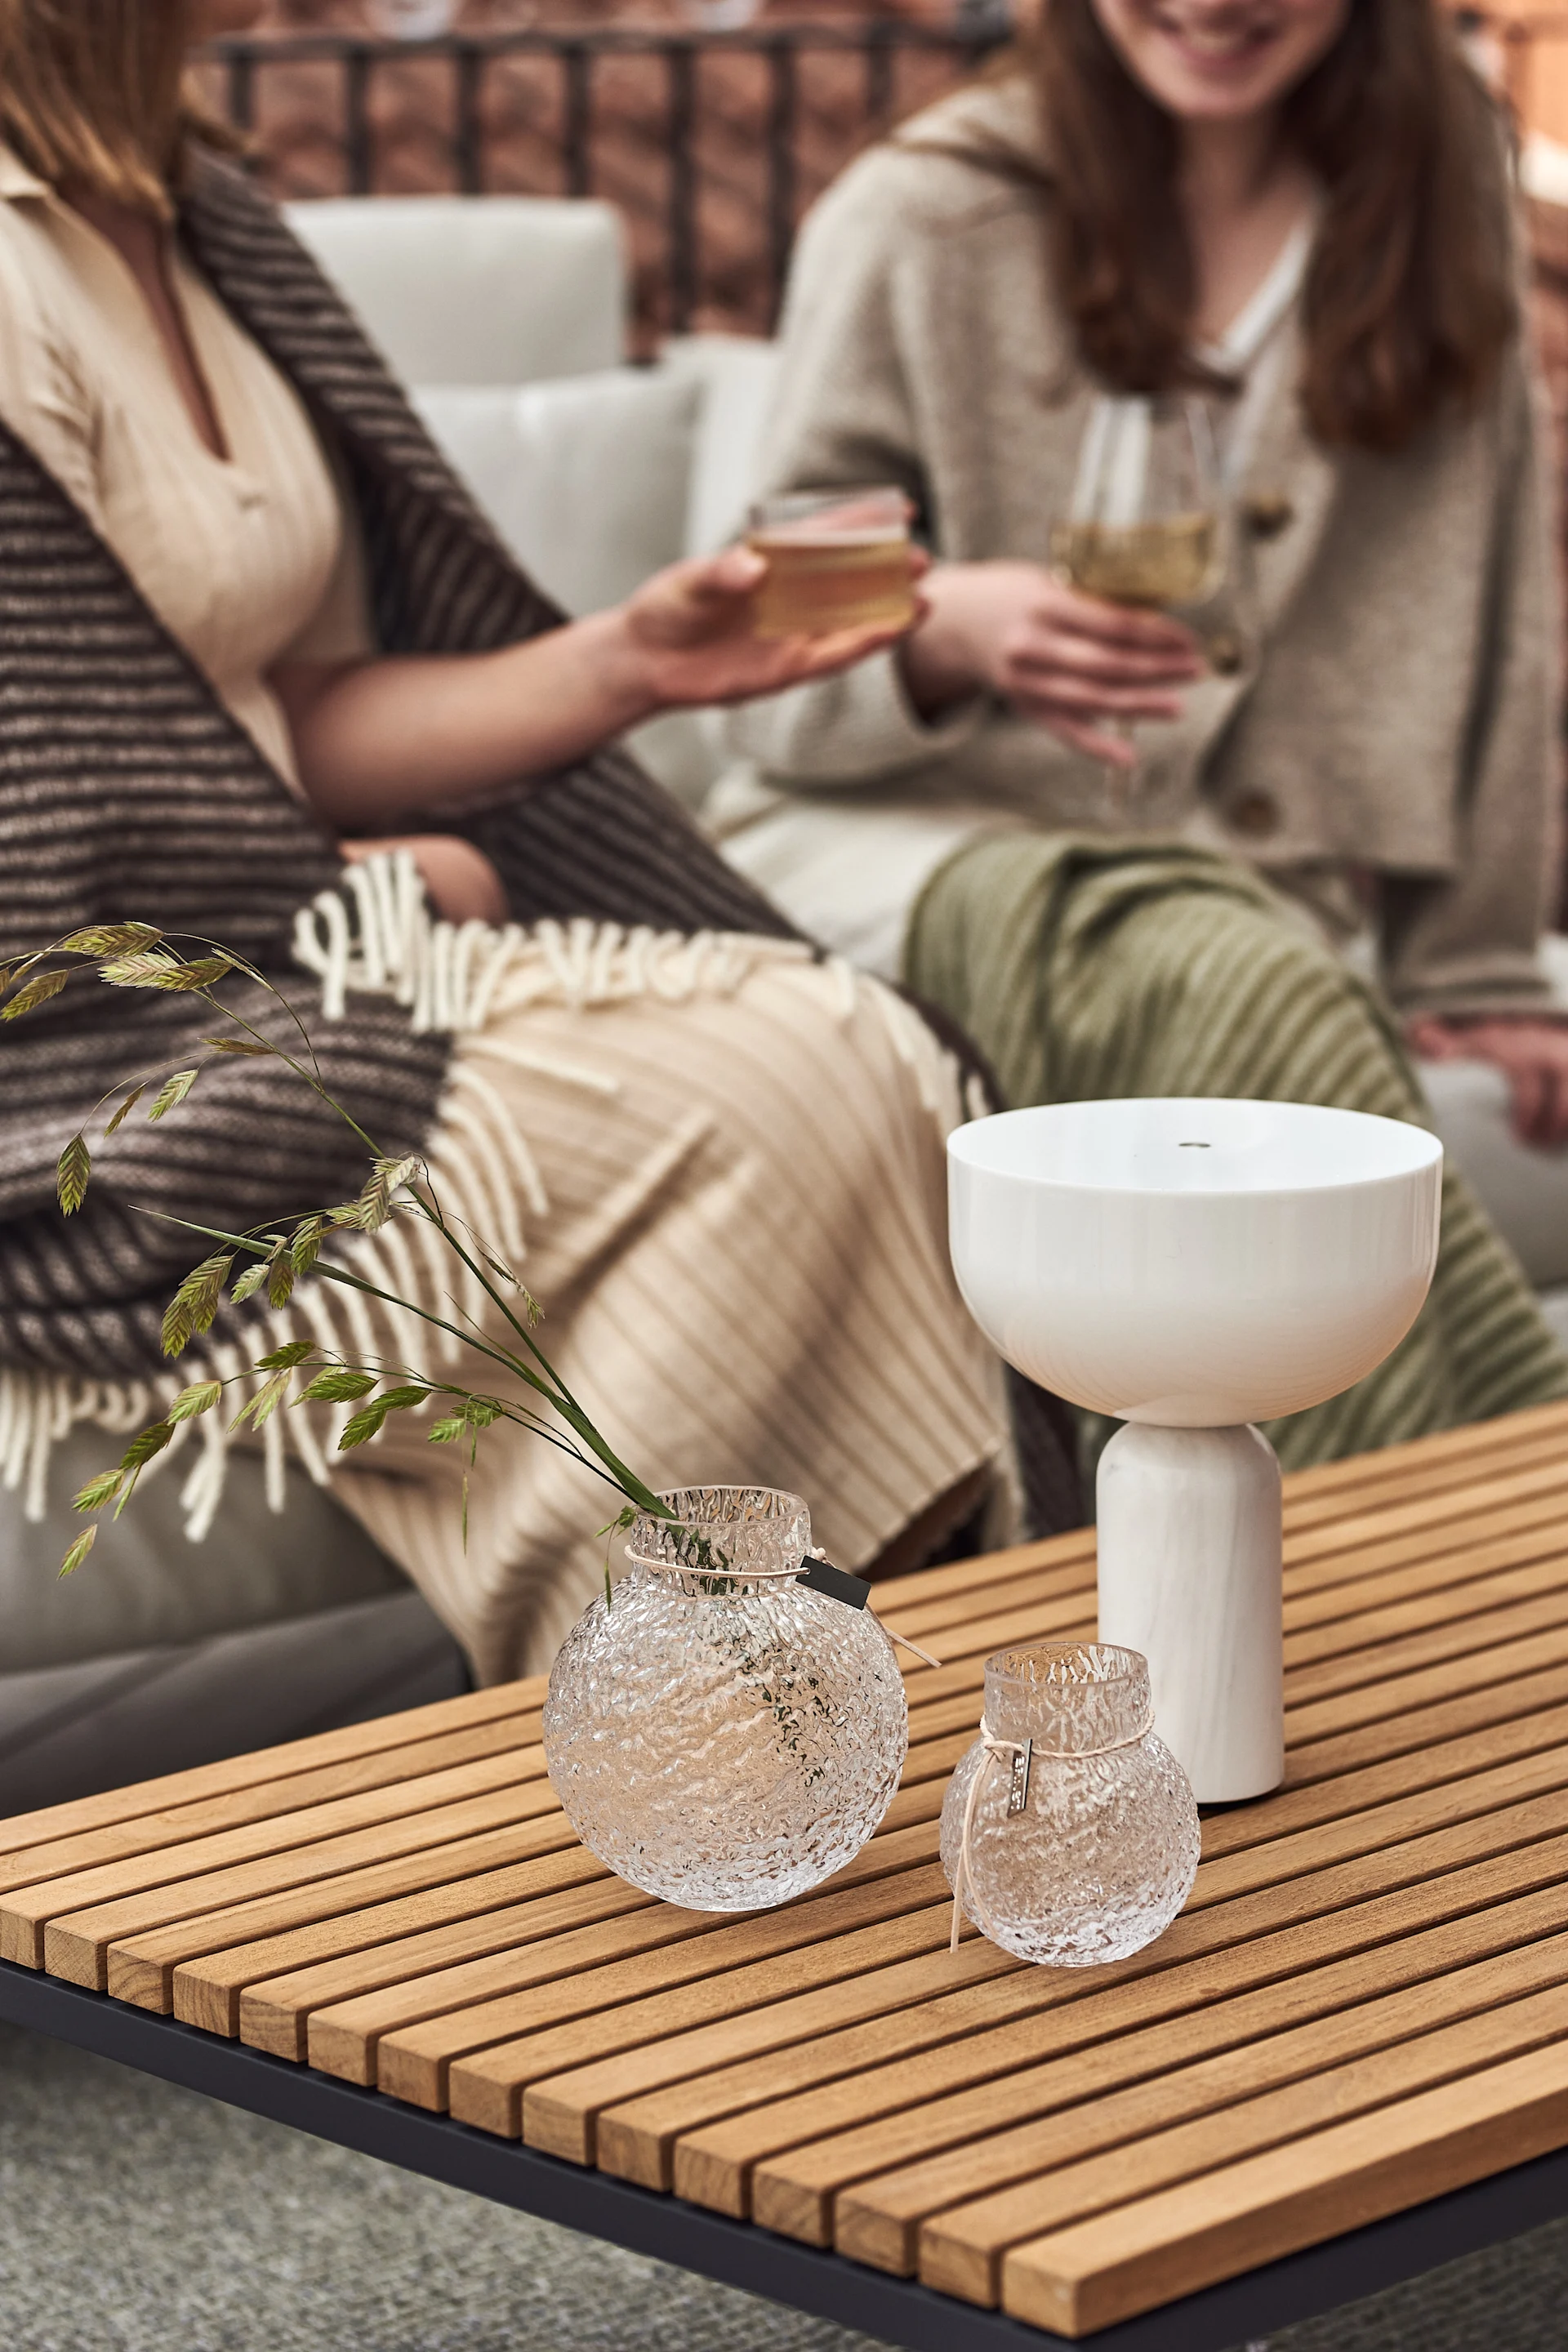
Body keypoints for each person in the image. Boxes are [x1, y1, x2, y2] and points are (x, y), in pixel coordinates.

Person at [0, 0, 1017, 1684]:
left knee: (863, 1059)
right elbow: (49, 839)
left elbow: (279, 711)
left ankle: (777, 1713)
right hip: (86, 1046)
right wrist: (365, 891)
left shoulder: (196, 213)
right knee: (779, 1091)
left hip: (300, 930)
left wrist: (635, 663)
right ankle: (680, 1727)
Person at [719, 0, 1568, 1470]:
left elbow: (1504, 615)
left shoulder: (1440, 209)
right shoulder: (920, 213)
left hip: (1245, 892)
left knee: (1246, 968)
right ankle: (1487, 1538)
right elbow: (761, 664)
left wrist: (1477, 962)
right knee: (1244, 981)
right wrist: (944, 625)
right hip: (907, 845)